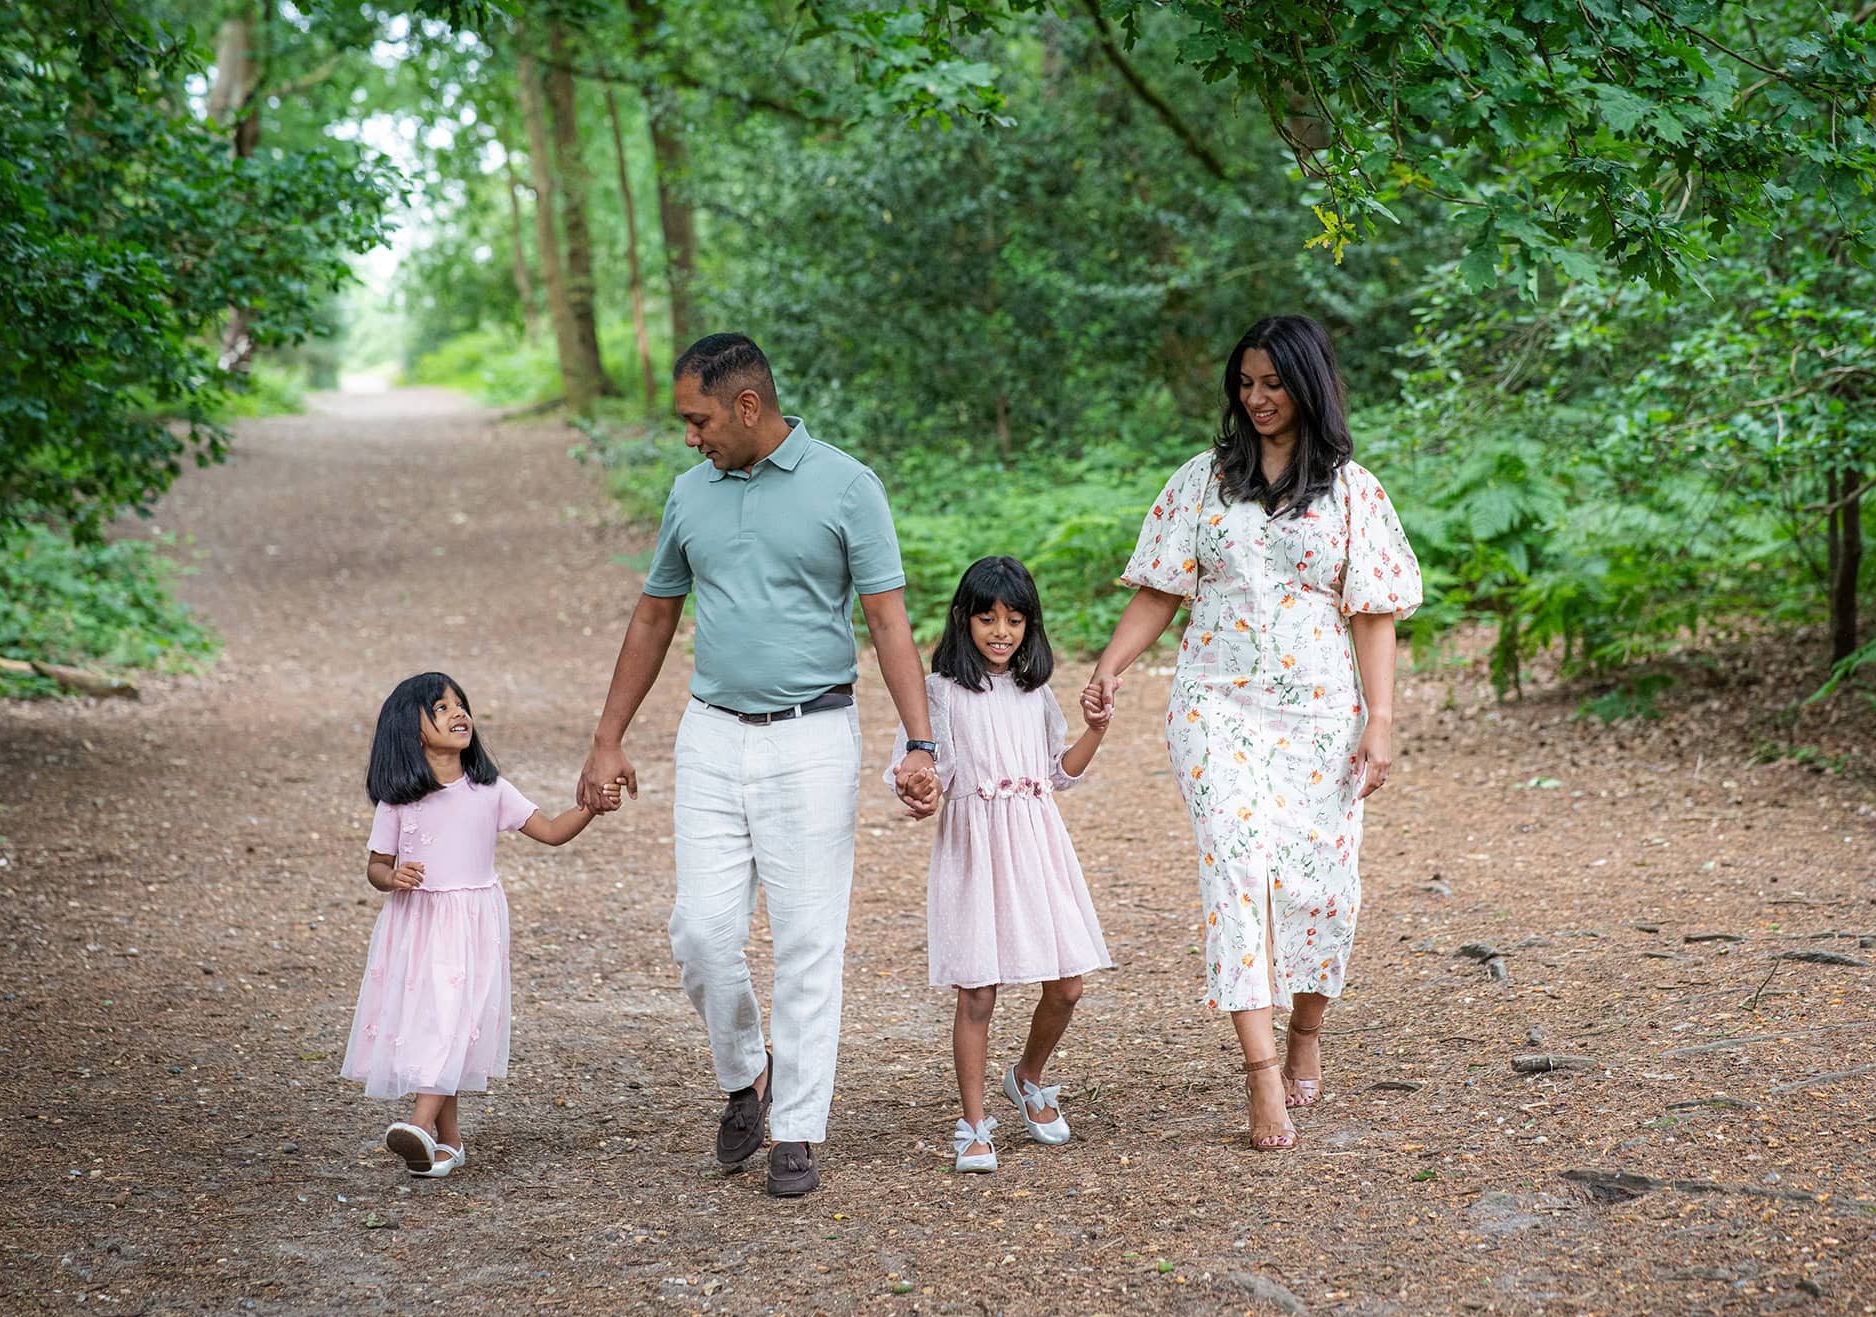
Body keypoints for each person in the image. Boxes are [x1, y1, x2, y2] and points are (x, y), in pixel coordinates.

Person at [577, 333, 937, 1198]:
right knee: (700, 933)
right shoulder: (688, 494)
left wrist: (920, 744)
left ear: (747, 405)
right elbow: (654, 616)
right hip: (710, 736)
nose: (689, 438)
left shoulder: (846, 487)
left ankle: (797, 1129)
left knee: (810, 941)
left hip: (813, 736)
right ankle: (746, 1074)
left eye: (698, 419)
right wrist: (608, 736)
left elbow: (889, 623)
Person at [1084, 314, 1423, 1151]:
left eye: (1273, 383)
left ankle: (1307, 1028)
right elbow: (1162, 589)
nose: (1256, 398)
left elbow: (1373, 614)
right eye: (1245, 383)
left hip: (1319, 713)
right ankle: (1261, 1072)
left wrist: (1381, 720)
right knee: (1237, 868)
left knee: (1324, 890)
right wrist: (1111, 665)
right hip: (1214, 706)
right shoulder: (1203, 481)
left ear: (1307, 386)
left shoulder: (1353, 490)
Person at [345, 672, 620, 1177]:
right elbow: (375, 866)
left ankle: (420, 1125)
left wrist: (591, 807)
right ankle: (447, 1141)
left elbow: (554, 832)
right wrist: (393, 877)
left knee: (450, 1018)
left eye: (459, 704)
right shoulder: (399, 801)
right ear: (410, 728)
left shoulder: (490, 790)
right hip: (419, 923)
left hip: (473, 924)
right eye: (441, 708)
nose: (458, 713)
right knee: (436, 1022)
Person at [889, 557, 1113, 1173]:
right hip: (975, 847)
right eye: (987, 618)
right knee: (979, 990)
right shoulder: (939, 694)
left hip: (1037, 843)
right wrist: (919, 787)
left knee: (1068, 984)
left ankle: (1028, 1076)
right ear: (963, 619)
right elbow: (918, 769)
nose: (1000, 632)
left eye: (1014, 620)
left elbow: (1058, 774)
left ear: (1029, 625)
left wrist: (1095, 729)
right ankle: (974, 1122)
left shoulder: (1034, 692)